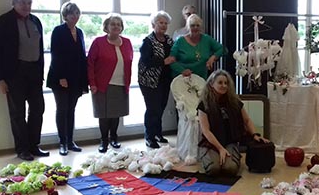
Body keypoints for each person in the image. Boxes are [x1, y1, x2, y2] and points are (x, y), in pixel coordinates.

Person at [0, 0, 49, 161]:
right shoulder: (3, 22)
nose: (26, 6)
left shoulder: (35, 21)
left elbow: (40, 48)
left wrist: (41, 72)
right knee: (17, 112)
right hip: (14, 74)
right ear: (13, 3)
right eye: (22, 3)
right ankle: (22, 149)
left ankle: (33, 145)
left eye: (29, 3)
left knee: (38, 109)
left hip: (34, 73)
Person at [197, 70, 270, 176]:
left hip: (229, 142)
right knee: (214, 169)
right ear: (211, 84)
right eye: (220, 82)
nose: (224, 86)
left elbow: (247, 120)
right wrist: (220, 148)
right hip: (211, 143)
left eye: (226, 83)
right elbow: (206, 131)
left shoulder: (234, 102)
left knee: (230, 169)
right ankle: (207, 156)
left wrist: (255, 135)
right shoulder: (204, 104)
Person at [46, 2, 89, 156]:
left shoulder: (80, 32)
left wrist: (84, 81)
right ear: (65, 16)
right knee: (62, 109)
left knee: (71, 110)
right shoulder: (58, 31)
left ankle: (70, 141)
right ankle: (62, 142)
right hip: (60, 78)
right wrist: (61, 77)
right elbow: (56, 55)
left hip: (76, 78)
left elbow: (81, 57)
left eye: (77, 13)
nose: (75, 17)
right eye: (72, 14)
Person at [88, 13, 133, 153]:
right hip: (102, 83)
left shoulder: (127, 42)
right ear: (106, 26)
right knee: (104, 114)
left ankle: (114, 137)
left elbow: (129, 63)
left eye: (118, 24)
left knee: (116, 113)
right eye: (113, 24)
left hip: (121, 82)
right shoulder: (98, 42)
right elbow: (89, 63)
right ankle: (104, 140)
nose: (116, 26)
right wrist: (92, 83)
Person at [138, 11, 176, 149]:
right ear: (154, 24)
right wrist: (164, 61)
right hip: (149, 80)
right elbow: (146, 60)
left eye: (166, 23)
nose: (164, 25)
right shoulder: (147, 41)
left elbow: (175, 55)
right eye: (161, 22)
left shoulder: (169, 40)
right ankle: (149, 137)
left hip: (165, 80)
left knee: (161, 108)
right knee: (152, 109)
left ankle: (158, 134)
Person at [170, 14, 222, 79]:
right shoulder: (180, 41)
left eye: (198, 25)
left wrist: (213, 57)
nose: (195, 28)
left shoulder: (207, 39)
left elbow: (222, 49)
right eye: (192, 25)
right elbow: (171, 61)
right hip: (182, 79)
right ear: (188, 27)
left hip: (201, 79)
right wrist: (182, 70)